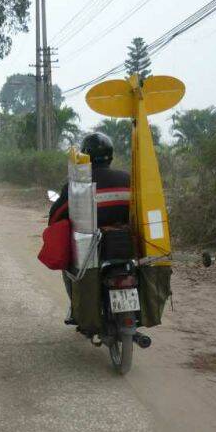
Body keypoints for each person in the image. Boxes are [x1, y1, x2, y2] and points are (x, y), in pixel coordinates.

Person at [48, 132, 131, 324]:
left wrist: (55, 223)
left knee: (69, 268)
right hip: (126, 243)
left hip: (92, 247)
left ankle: (76, 308)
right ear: (111, 155)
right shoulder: (127, 178)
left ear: (86, 156)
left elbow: (57, 214)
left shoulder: (77, 184)